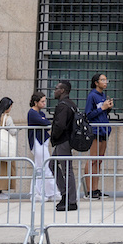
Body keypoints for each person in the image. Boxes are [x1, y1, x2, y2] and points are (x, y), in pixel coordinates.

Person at [83, 72, 114, 198]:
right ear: (96, 82)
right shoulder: (92, 96)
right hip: (95, 131)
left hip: (104, 130)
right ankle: (89, 190)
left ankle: (95, 189)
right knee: (93, 160)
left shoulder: (103, 95)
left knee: (99, 161)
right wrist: (102, 108)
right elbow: (88, 114)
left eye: (106, 80)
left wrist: (108, 107)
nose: (105, 82)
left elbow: (103, 112)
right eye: (102, 80)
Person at [50, 81, 79, 212]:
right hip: (64, 141)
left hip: (63, 141)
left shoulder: (63, 106)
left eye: (56, 88)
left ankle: (71, 200)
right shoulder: (70, 104)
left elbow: (60, 125)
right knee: (52, 165)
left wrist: (54, 136)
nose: (54, 91)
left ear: (62, 90)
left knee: (67, 170)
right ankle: (65, 194)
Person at [27, 92, 60, 202]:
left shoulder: (39, 112)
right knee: (44, 167)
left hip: (42, 142)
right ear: (36, 102)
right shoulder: (32, 113)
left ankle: (41, 192)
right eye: (42, 101)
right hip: (37, 142)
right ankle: (50, 192)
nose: (44, 103)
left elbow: (45, 123)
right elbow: (45, 122)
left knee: (40, 167)